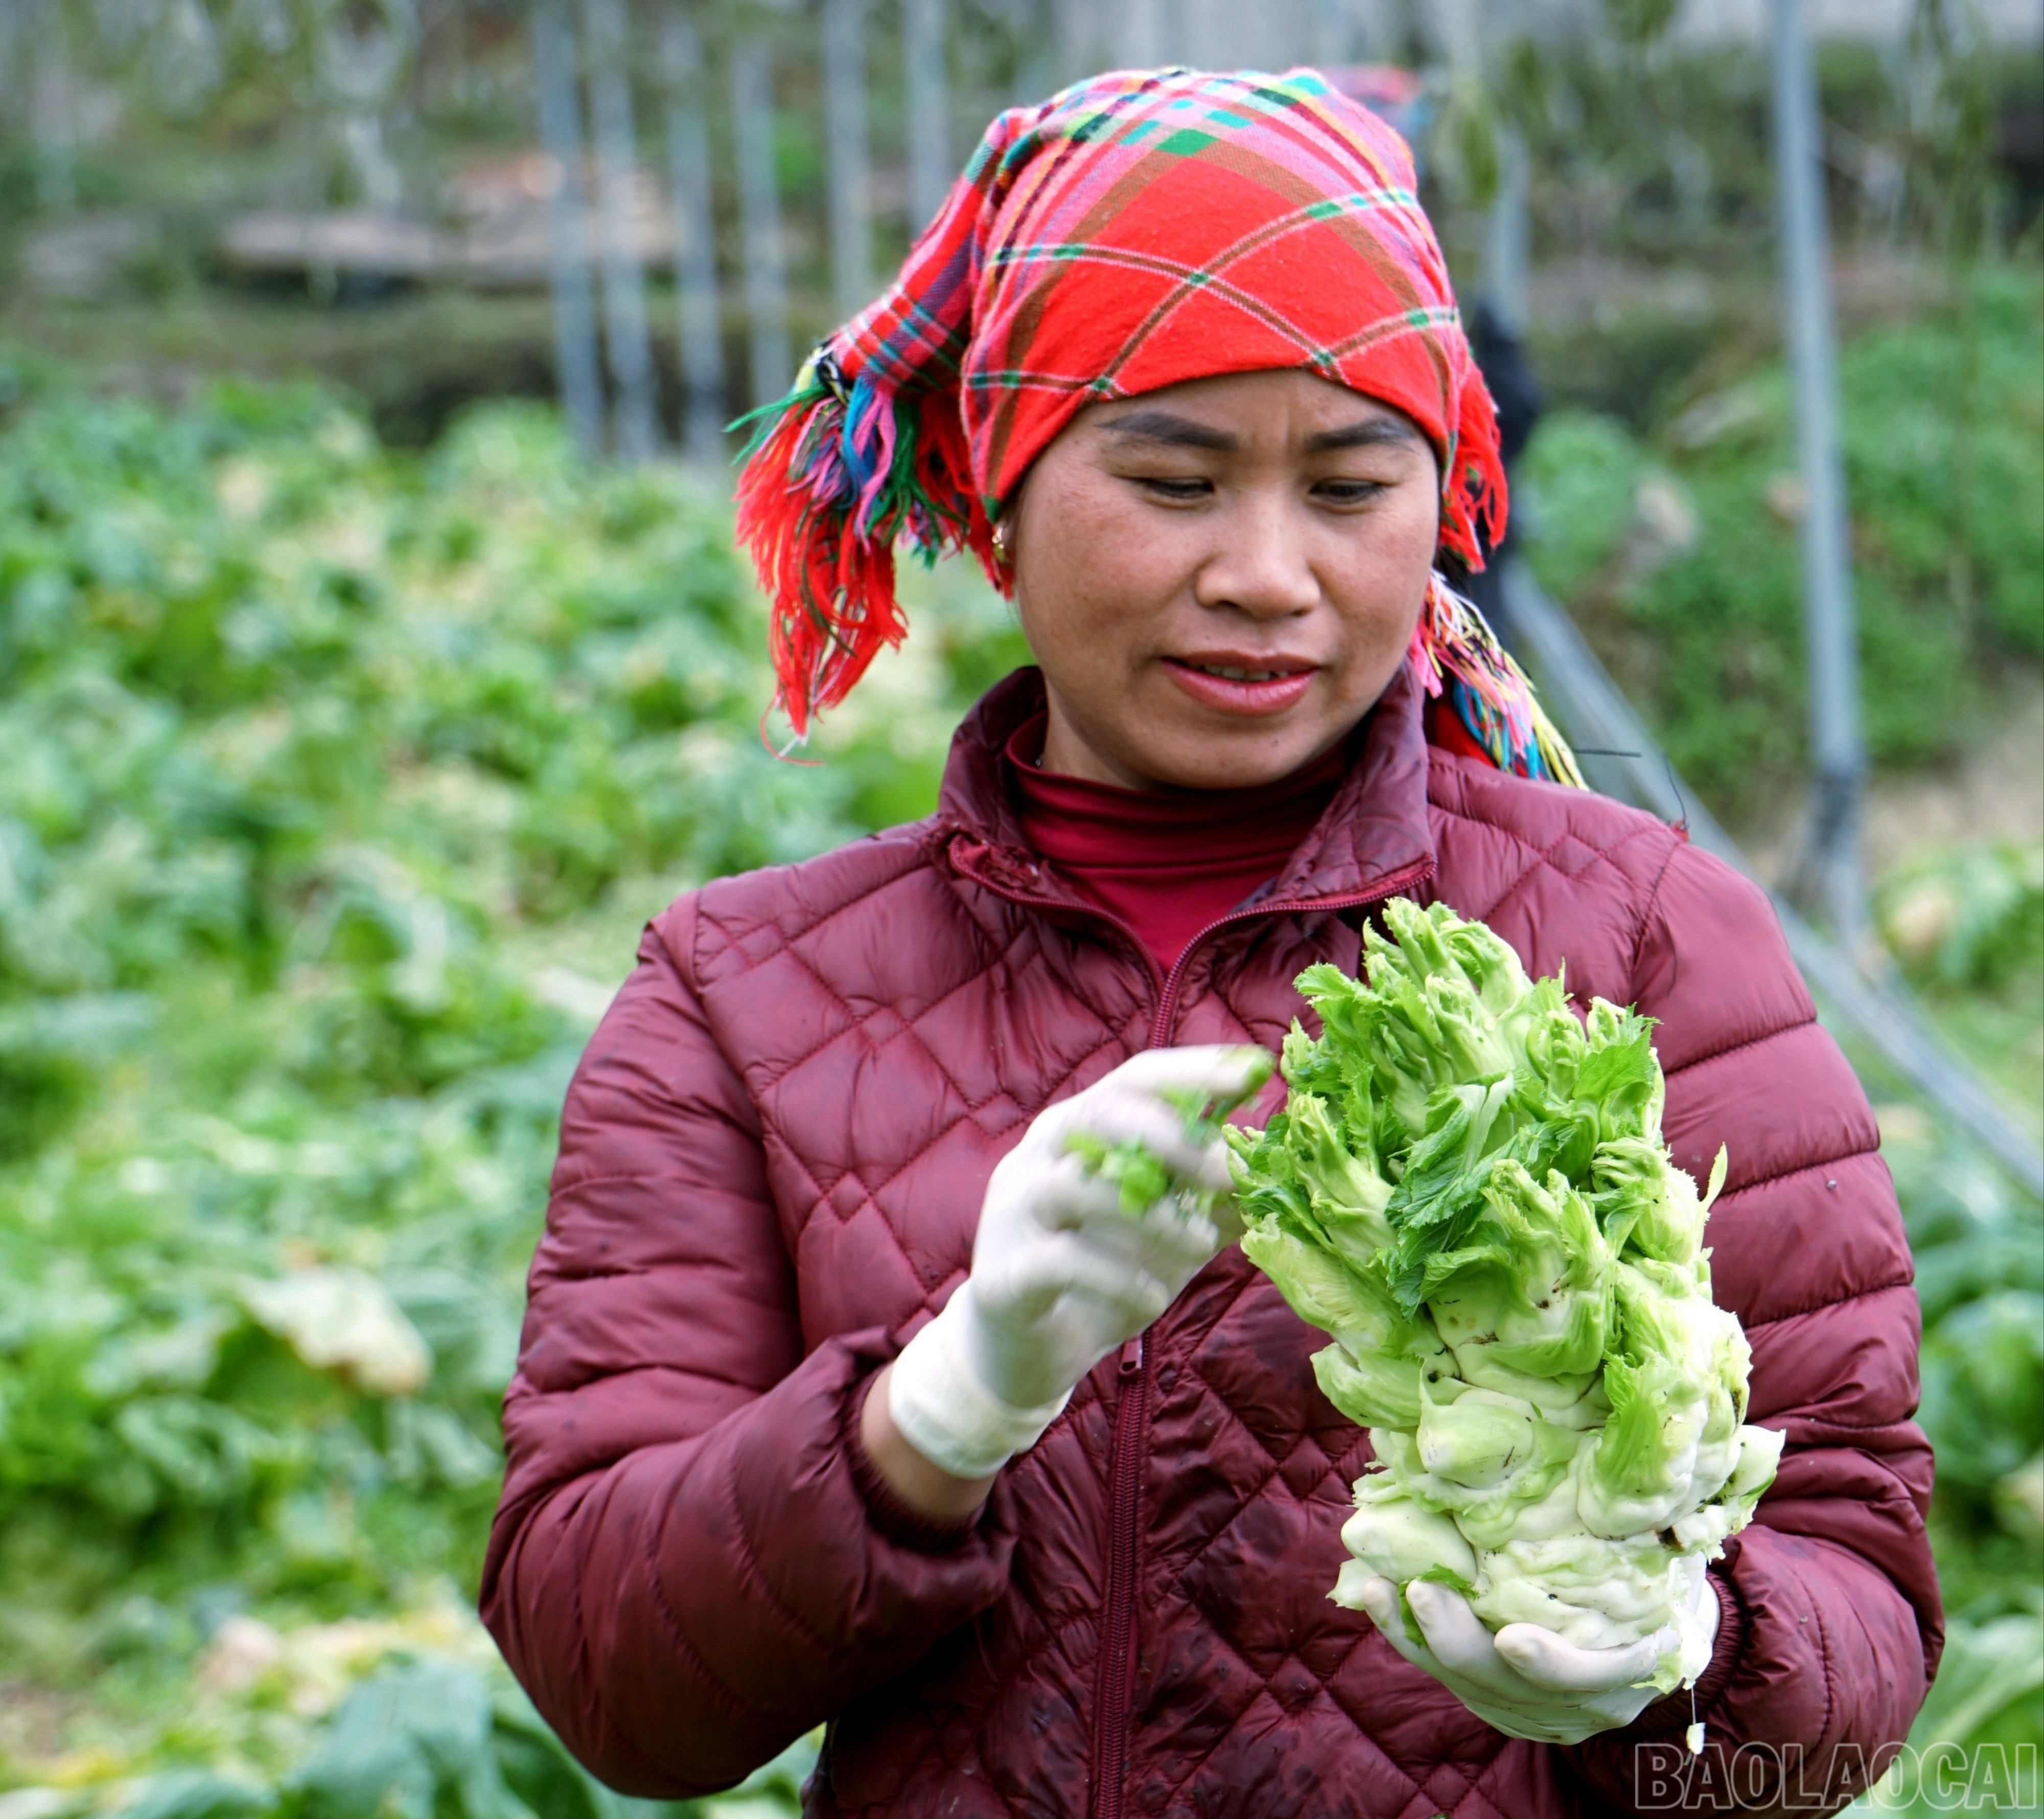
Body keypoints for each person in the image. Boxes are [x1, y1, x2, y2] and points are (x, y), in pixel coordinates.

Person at [480, 68, 1938, 1818]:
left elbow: (1850, 1600)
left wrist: (1678, 1656)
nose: (1267, 570)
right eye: (1172, 478)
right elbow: (610, 1674)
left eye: (1347, 485)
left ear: (1444, 500)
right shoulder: (746, 994)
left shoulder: (1638, 936)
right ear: (1001, 500)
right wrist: (930, 1422)